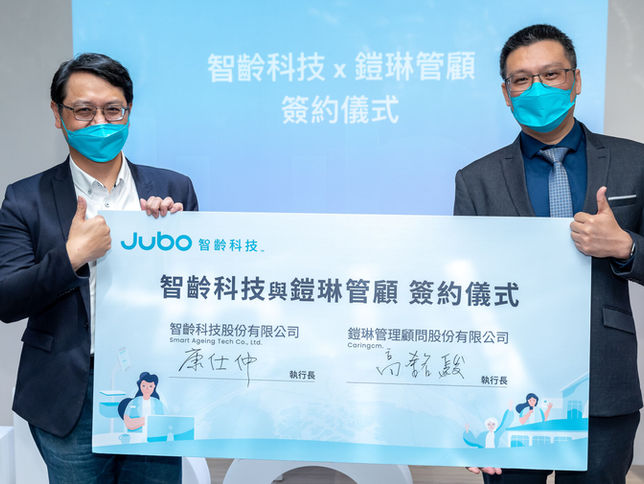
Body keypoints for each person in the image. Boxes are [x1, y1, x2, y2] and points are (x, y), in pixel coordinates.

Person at [454, 24, 644, 483]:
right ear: (506, 94)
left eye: (551, 74)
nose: (536, 89)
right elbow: (463, 297)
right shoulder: (475, 180)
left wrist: (625, 246)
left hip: (603, 382)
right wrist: (470, 406)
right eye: (521, 80)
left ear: (576, 80)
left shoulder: (635, 162)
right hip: (509, 390)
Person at [0, 53, 198, 483]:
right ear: (58, 114)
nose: (100, 123)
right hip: (70, 389)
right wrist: (71, 256)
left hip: (151, 382)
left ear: (129, 110)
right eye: (84, 111)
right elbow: (8, 299)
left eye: (113, 110)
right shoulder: (25, 198)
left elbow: (197, 291)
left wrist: (175, 241)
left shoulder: (173, 188)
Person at [122, 372, 165, 436]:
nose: (147, 389)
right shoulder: (133, 403)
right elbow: (128, 423)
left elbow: (161, 422)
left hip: (153, 435)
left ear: (154, 387)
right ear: (140, 386)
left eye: (150, 386)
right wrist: (148, 420)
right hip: (136, 435)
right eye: (144, 386)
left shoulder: (158, 404)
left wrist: (137, 421)